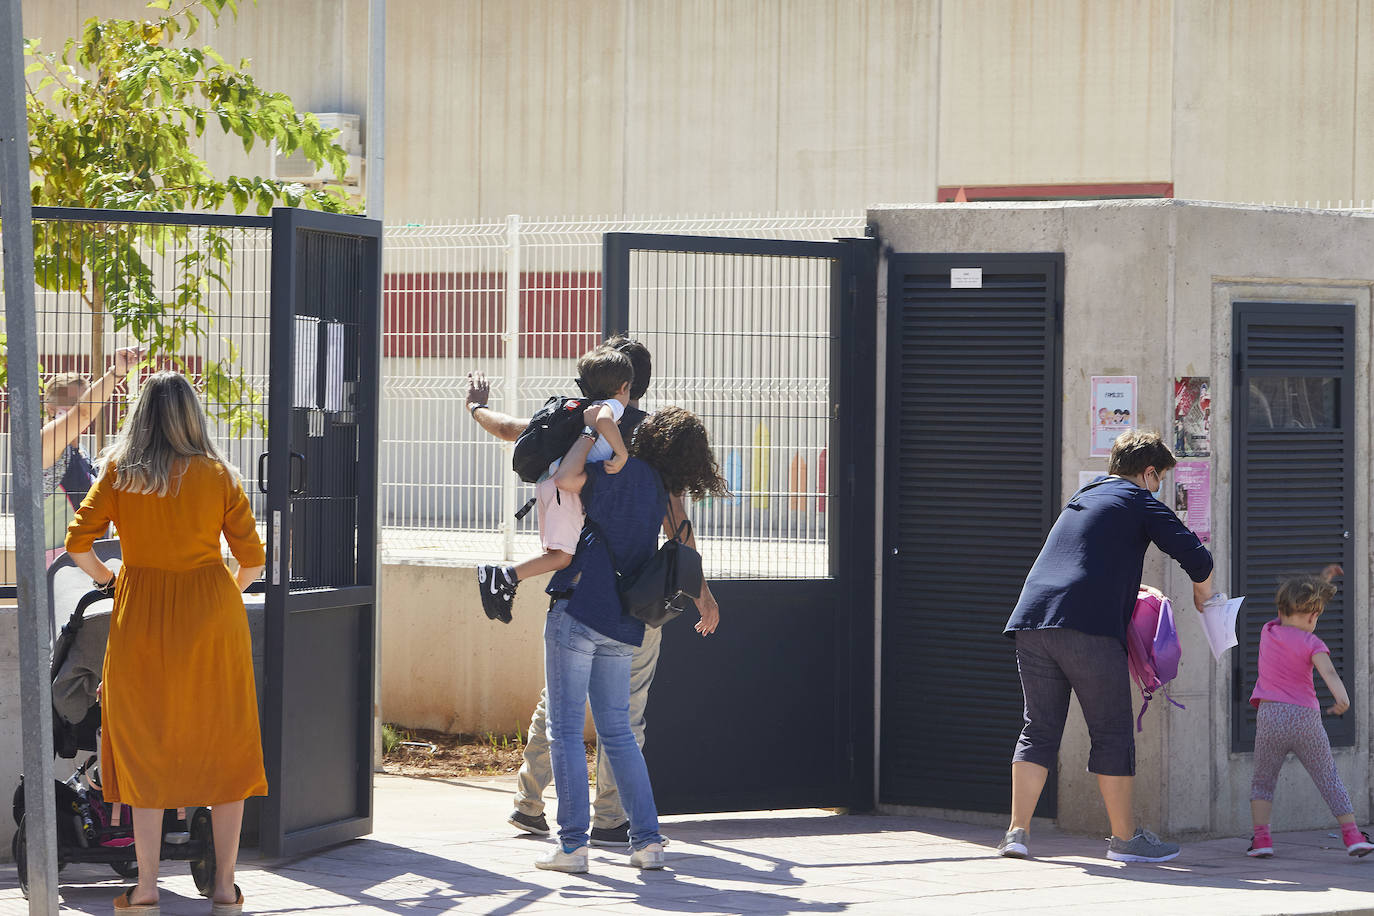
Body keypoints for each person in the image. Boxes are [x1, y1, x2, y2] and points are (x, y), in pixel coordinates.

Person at [466, 335, 720, 847]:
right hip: (633, 595)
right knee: (625, 715)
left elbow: (514, 431)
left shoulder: (573, 423)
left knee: (557, 706)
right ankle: (610, 818)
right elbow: (677, 522)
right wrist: (701, 590)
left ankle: (529, 803)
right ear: (638, 384)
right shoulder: (654, 438)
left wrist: (477, 409)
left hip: (574, 586)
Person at [65, 371, 266, 914]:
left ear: (141, 416)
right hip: (213, 617)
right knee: (225, 748)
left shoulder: (119, 473)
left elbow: (77, 544)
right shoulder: (218, 474)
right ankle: (224, 890)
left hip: (141, 619)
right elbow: (253, 559)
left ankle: (147, 889)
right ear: (191, 416)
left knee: (143, 746)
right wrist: (218, 591)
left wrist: (110, 579)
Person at [1000, 429, 1214, 862]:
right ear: (1149, 473)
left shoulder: (1084, 496)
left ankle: (1016, 834)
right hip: (1087, 629)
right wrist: (1204, 597)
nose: (1159, 489)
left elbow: (1082, 560)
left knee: (1038, 728)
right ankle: (1124, 839)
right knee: (1112, 731)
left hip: (1032, 620)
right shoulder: (1139, 501)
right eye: (1159, 480)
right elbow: (1197, 556)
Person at [535, 405, 728, 873]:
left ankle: (572, 846)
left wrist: (586, 431)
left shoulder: (618, 471)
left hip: (579, 612)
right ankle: (647, 842)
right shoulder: (663, 495)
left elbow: (564, 480)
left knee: (564, 731)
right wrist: (706, 598)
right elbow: (684, 552)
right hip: (626, 626)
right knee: (618, 733)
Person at [475, 346, 633, 622]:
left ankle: (504, 583)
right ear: (624, 386)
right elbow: (606, 420)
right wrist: (622, 454)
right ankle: (502, 576)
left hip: (549, 484)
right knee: (562, 557)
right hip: (565, 492)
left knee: (555, 552)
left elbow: (508, 428)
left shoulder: (581, 409)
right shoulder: (611, 406)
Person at [1246, 567, 1373, 859]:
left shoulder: (1269, 631)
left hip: (1270, 717)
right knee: (1327, 777)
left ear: (1281, 609)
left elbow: (1293, 605)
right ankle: (1352, 835)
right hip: (1304, 719)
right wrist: (1342, 698)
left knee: (1263, 780)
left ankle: (1262, 839)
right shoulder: (1312, 643)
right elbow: (1327, 671)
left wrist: (1320, 584)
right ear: (1314, 615)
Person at [41, 346, 144, 564]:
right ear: (50, 407)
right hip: (57, 565)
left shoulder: (82, 452)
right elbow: (84, 414)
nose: (81, 409)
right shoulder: (45, 442)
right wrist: (116, 373)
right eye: (73, 403)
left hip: (89, 562)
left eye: (85, 400)